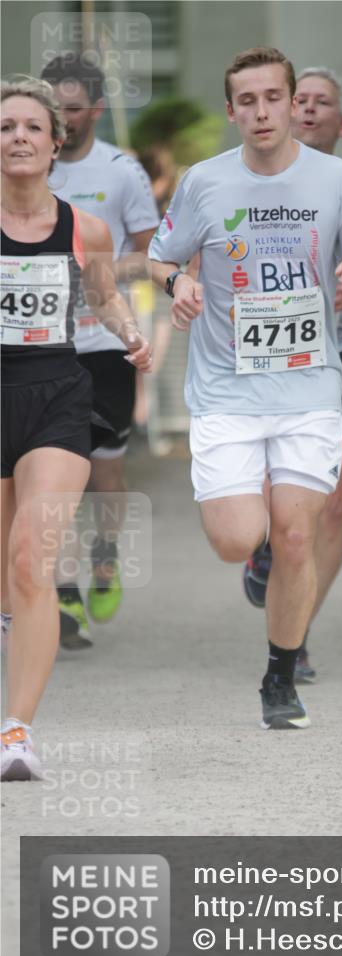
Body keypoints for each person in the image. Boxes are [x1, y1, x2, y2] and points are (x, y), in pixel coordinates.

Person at [148, 47, 342, 729]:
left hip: (309, 390)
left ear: (291, 103)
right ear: (232, 111)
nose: (261, 112)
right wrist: (179, 282)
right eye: (247, 101)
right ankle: (252, 553)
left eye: (273, 98)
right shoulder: (204, 182)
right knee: (236, 539)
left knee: (296, 537)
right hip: (226, 391)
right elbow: (157, 257)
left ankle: (280, 679)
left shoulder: (338, 180)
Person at [1, 76, 152, 780]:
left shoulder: (84, 228)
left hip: (57, 394)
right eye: (5, 128)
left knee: (31, 559)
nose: (18, 137)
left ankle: (16, 734)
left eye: (32, 126)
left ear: (56, 143)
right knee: (6, 579)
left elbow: (103, 294)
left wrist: (130, 334)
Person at [241, 65, 342, 683]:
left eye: (321, 102)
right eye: (298, 98)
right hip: (254, 368)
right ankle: (262, 545)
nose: (307, 109)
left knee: (332, 504)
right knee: (263, 505)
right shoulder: (235, 183)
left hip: (335, 364)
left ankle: (296, 633)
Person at [40, 54, 159, 647]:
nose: (63, 118)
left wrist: (96, 272)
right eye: (54, 108)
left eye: (73, 108)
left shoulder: (121, 170)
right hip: (43, 348)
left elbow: (152, 254)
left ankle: (106, 555)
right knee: (55, 473)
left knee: (104, 472)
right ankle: (64, 595)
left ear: (97, 109)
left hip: (105, 342)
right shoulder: (23, 166)